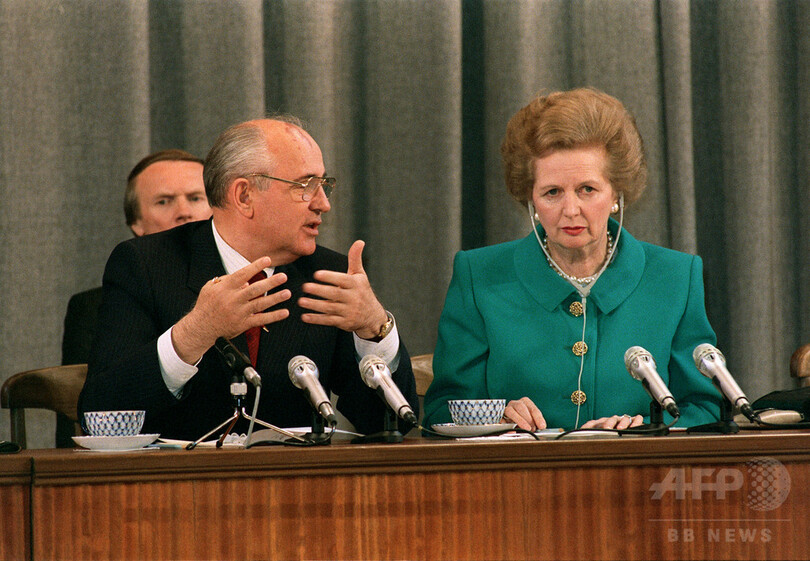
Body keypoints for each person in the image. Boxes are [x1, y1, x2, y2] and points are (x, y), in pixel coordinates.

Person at [77, 116, 418, 440]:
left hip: (294, 491)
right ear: (244, 196)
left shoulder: (327, 275)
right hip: (176, 490)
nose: (323, 203)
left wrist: (376, 330)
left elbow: (390, 427)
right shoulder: (145, 265)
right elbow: (102, 414)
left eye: (324, 184)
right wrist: (194, 333)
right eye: (305, 186)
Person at [423, 87, 720, 432]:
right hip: (516, 480)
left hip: (639, 477)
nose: (570, 210)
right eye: (552, 193)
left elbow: (704, 409)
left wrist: (646, 428)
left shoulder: (675, 277)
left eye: (587, 190)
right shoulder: (478, 276)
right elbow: (441, 412)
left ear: (616, 194)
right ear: (530, 201)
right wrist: (498, 415)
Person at [62, 149, 211, 366]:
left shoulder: (251, 291)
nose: (184, 212)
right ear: (136, 223)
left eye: (195, 198)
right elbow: (92, 396)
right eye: (164, 201)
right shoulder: (94, 308)